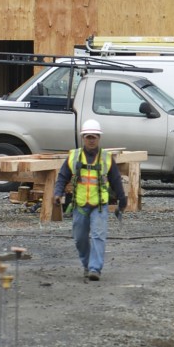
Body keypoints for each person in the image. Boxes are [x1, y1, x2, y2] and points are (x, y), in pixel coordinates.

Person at [52, 119, 128, 281]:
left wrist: (122, 200)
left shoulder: (106, 158)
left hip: (99, 206)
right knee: (79, 238)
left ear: (99, 138)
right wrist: (58, 193)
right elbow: (63, 176)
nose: (91, 139)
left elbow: (116, 180)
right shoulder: (74, 156)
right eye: (88, 137)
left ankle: (95, 269)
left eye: (94, 137)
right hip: (79, 205)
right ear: (83, 138)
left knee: (98, 235)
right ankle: (87, 264)